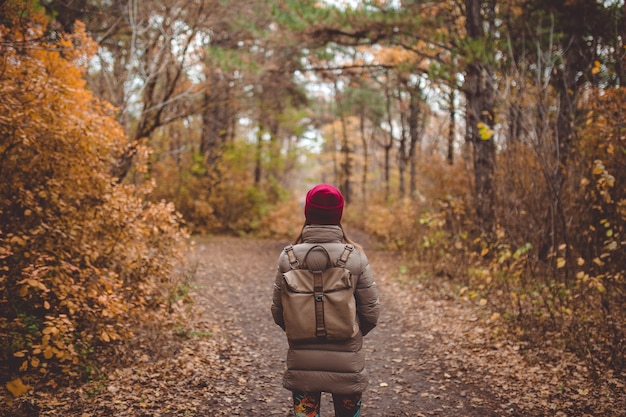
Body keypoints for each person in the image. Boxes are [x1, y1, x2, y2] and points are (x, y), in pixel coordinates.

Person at [271, 183, 380, 417]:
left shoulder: (288, 257)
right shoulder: (356, 257)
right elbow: (371, 314)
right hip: (347, 364)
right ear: (338, 214)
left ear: (307, 213)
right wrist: (349, 331)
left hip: (302, 364)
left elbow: (278, 313)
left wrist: (302, 329)